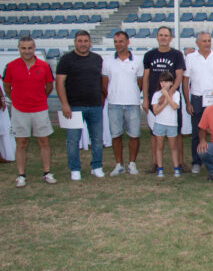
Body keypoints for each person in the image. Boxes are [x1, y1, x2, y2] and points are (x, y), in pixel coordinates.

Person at [2, 36, 56, 187]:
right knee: (21, 143)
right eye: (23, 48)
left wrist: (40, 98)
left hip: (40, 109)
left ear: (34, 48)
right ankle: (21, 175)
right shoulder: (11, 66)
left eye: (30, 48)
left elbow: (49, 85)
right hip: (20, 110)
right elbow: (6, 86)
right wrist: (15, 99)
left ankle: (47, 172)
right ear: (19, 49)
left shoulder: (43, 66)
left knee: (44, 141)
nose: (27, 51)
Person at [56, 30, 105, 180]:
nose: (82, 44)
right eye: (80, 41)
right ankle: (75, 169)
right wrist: (64, 104)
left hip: (95, 106)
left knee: (97, 139)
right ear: (75, 42)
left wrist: (102, 100)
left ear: (90, 42)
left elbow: (102, 82)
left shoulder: (97, 59)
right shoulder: (66, 59)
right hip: (74, 106)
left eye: (85, 41)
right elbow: (59, 83)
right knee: (72, 140)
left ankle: (96, 166)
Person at [142, 26, 186, 174]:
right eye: (161, 35)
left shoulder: (177, 55)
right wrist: (145, 99)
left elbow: (179, 76)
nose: (163, 37)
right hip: (154, 99)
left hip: (170, 97)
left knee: (177, 132)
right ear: (157, 37)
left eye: (166, 35)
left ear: (170, 38)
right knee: (155, 133)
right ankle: (156, 163)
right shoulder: (149, 55)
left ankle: (179, 163)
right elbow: (146, 78)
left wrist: (169, 94)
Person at [182, 31, 213, 174]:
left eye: (209, 40)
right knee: (197, 131)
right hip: (197, 99)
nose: (207, 43)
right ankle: (196, 161)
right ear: (197, 43)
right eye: (204, 41)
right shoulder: (190, 58)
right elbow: (185, 81)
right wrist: (187, 102)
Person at [101, 30, 143, 176]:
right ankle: (119, 164)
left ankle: (132, 164)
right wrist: (112, 97)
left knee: (134, 135)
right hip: (114, 105)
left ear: (128, 42)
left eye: (121, 41)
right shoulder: (107, 61)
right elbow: (105, 83)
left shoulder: (137, 60)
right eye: (116, 42)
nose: (118, 44)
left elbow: (140, 83)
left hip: (132, 104)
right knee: (116, 135)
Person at [151, 71, 181, 178]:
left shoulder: (176, 94)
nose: (164, 84)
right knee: (159, 146)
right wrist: (164, 102)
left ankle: (176, 168)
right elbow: (156, 111)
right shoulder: (156, 94)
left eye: (167, 81)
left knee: (173, 147)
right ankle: (160, 168)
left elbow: (174, 106)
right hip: (159, 123)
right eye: (162, 81)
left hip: (172, 124)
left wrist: (167, 96)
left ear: (172, 83)